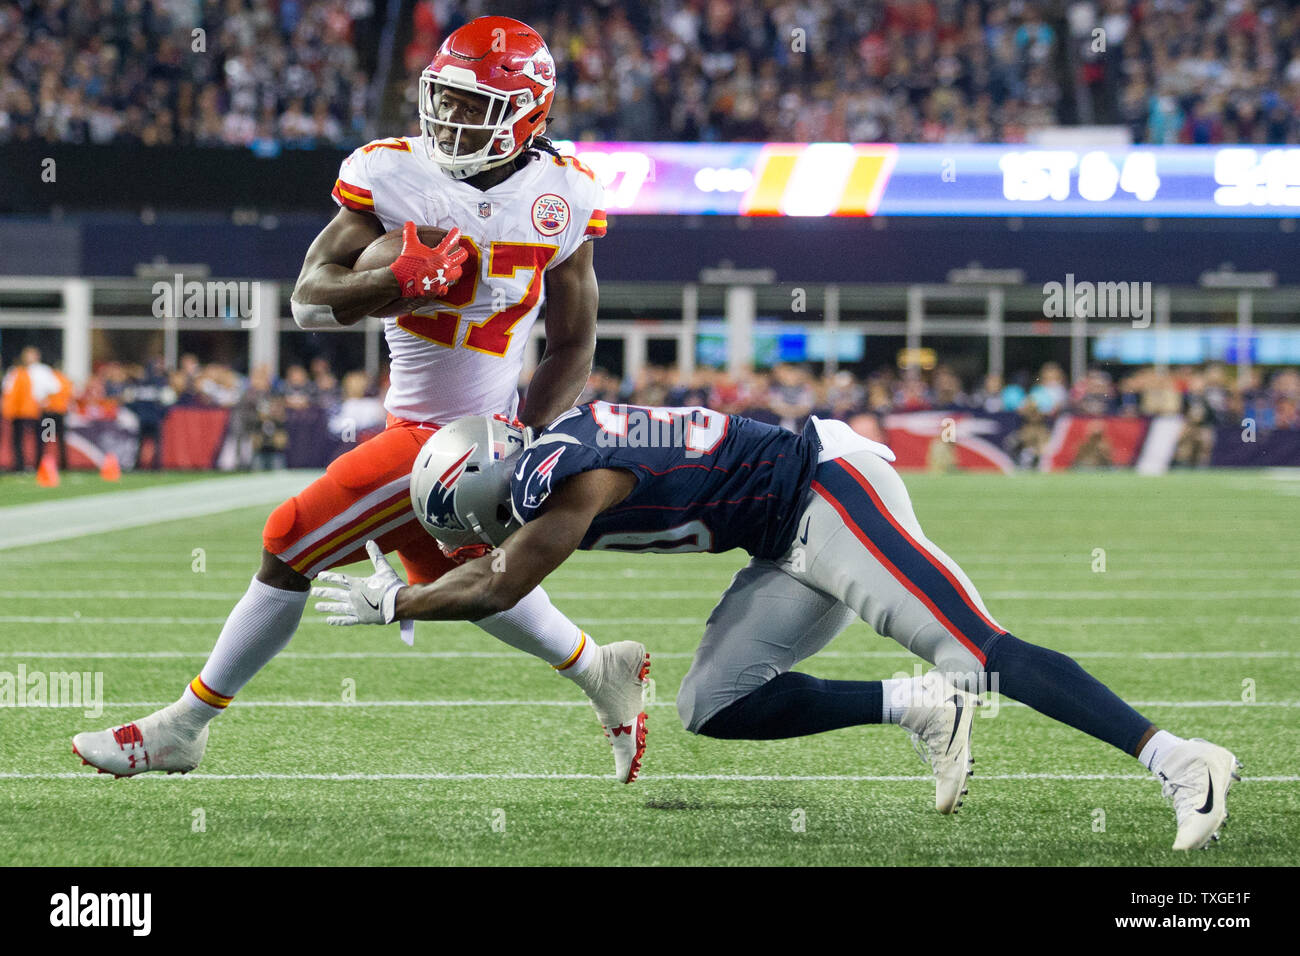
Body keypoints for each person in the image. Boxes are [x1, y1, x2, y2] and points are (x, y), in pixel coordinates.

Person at [72, 17, 649, 786]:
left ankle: (185, 726)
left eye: (476, 105)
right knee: (471, 582)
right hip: (411, 419)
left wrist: (524, 437)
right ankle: (600, 670)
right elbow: (311, 297)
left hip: (473, 431)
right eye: (444, 97)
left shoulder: (564, 191)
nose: (452, 119)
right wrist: (392, 283)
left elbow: (574, 343)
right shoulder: (392, 171)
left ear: (528, 113)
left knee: (289, 540)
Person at [314, 402, 1241, 850]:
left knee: (978, 650)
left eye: (465, 519)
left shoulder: (560, 484)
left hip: (828, 492)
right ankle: (919, 710)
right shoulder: (550, 449)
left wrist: (396, 601)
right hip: (779, 535)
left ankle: (1180, 758)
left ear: (487, 483)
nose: (471, 537)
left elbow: (501, 582)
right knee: (712, 702)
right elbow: (501, 563)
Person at [2, 347, 60, 472]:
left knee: (43, 438)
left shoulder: (43, 370)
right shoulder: (16, 371)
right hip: (20, 411)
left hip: (41, 410)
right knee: (18, 438)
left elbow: (55, 387)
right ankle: (20, 465)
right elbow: (7, 389)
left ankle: (41, 464)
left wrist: (44, 399)